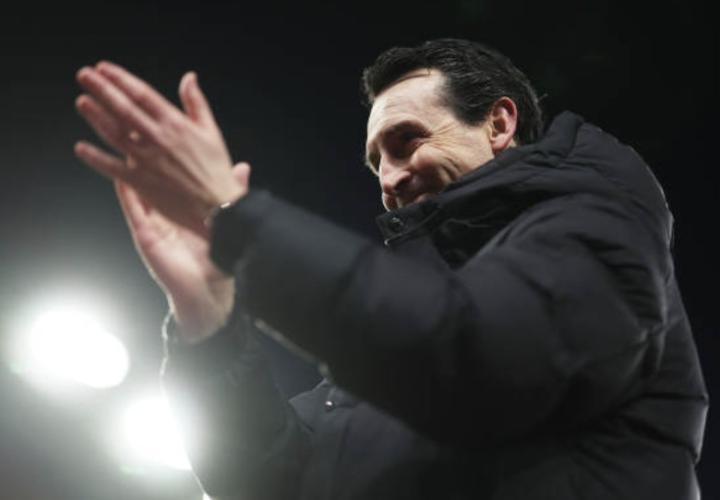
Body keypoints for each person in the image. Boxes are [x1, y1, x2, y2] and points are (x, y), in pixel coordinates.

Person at [74, 39, 708, 500]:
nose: (389, 178)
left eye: (407, 141)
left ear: (498, 123)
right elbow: (272, 480)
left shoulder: (601, 223)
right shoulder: (391, 348)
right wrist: (209, 317)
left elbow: (477, 354)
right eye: (376, 160)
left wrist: (241, 224)